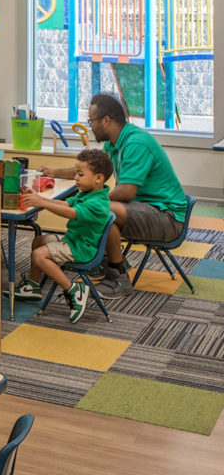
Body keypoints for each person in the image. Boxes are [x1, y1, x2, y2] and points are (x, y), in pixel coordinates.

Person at [40, 93, 188, 298]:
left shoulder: (136, 143)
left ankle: (118, 276)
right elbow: (89, 170)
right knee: (99, 208)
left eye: (91, 121)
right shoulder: (113, 143)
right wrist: (54, 173)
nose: (90, 125)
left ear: (106, 120)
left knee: (103, 209)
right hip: (145, 210)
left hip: (167, 218)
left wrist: (87, 202)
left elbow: (127, 193)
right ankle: (103, 262)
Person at [16, 148, 114, 323]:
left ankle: (74, 289)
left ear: (98, 178)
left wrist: (42, 203)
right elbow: (65, 203)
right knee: (39, 241)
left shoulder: (98, 203)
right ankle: (33, 286)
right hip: (74, 241)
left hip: (82, 249)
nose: (75, 178)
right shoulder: (89, 193)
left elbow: (70, 212)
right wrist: (40, 199)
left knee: (39, 255)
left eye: (80, 174)